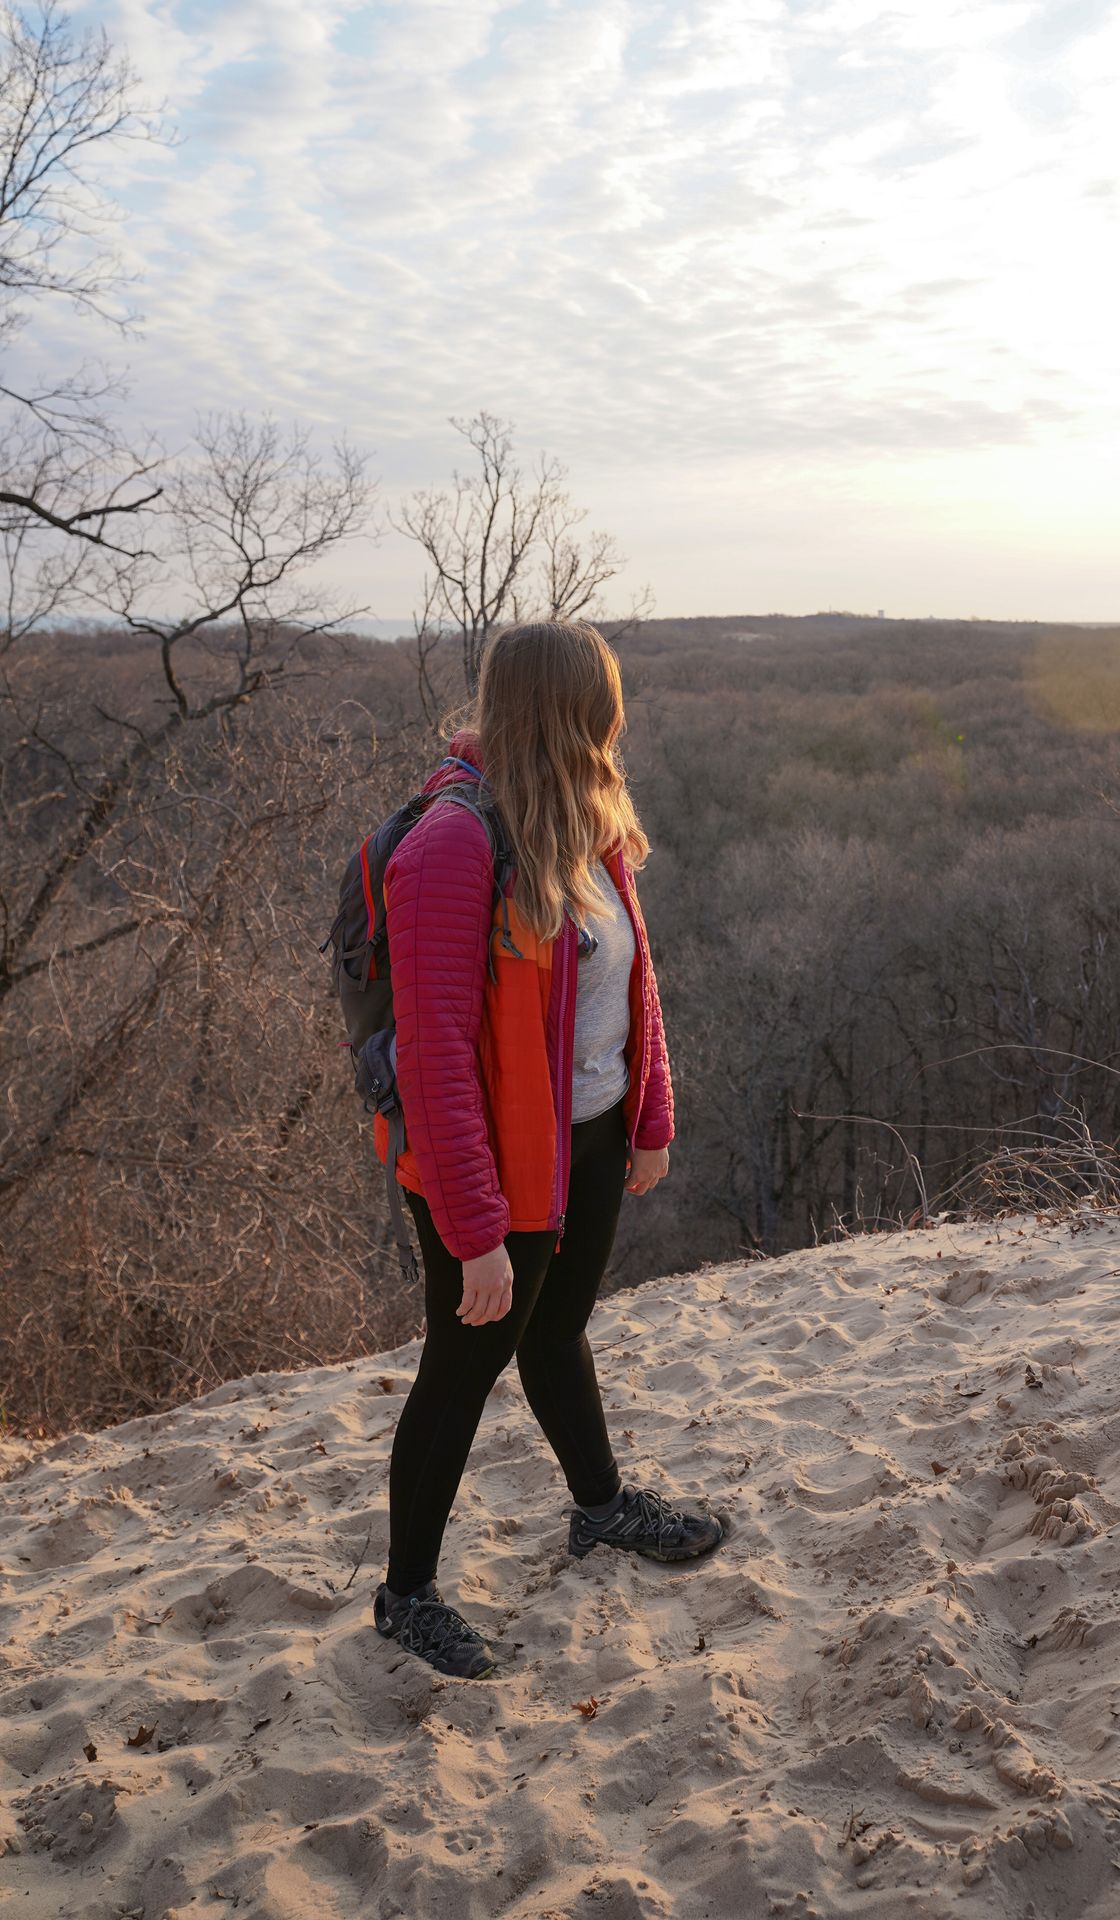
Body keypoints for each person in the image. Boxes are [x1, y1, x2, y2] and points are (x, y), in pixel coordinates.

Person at [371, 620, 724, 1680]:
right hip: (495, 1167)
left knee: (558, 1326)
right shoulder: (452, 846)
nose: (617, 720)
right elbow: (432, 1060)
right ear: (565, 709)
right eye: (602, 701)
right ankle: (405, 1595)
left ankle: (600, 1509)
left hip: (589, 1139)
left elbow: (632, 980)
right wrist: (476, 1232)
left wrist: (648, 1115)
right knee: (462, 1365)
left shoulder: (585, 821)